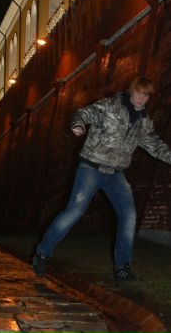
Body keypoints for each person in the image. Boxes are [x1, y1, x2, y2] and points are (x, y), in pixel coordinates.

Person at [32, 76, 171, 281]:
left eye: (146, 95)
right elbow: (84, 113)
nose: (141, 98)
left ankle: (122, 267)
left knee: (129, 216)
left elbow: (156, 145)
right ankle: (42, 253)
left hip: (116, 174)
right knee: (74, 211)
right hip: (91, 167)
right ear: (131, 91)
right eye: (139, 93)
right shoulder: (110, 106)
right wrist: (79, 124)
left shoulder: (144, 122)